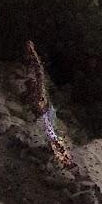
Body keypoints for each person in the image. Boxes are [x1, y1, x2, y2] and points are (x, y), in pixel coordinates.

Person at [23, 40, 74, 170]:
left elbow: (38, 70)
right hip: (42, 107)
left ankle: (64, 160)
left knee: (52, 134)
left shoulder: (35, 78)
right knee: (51, 134)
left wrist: (33, 53)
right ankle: (64, 158)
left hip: (42, 108)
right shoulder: (34, 77)